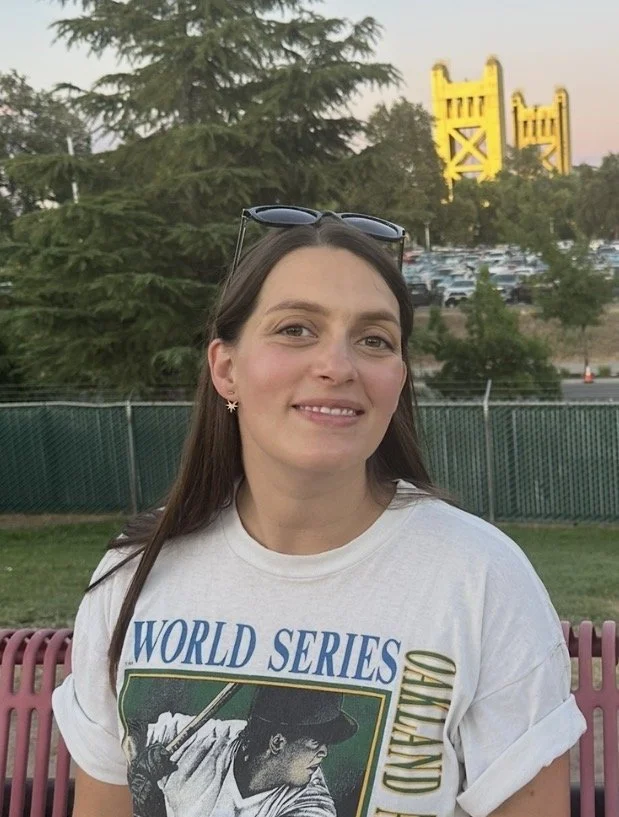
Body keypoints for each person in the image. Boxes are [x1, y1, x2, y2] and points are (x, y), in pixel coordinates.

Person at [53, 206, 586, 817]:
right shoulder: (135, 572)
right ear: (226, 368)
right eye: (296, 329)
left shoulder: (481, 579)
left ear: (398, 378)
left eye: (374, 339)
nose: (338, 365)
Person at [125, 685, 357, 817]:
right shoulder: (209, 740)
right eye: (316, 742)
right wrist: (134, 763)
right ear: (277, 743)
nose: (325, 752)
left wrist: (151, 809)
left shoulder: (312, 803)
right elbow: (130, 734)